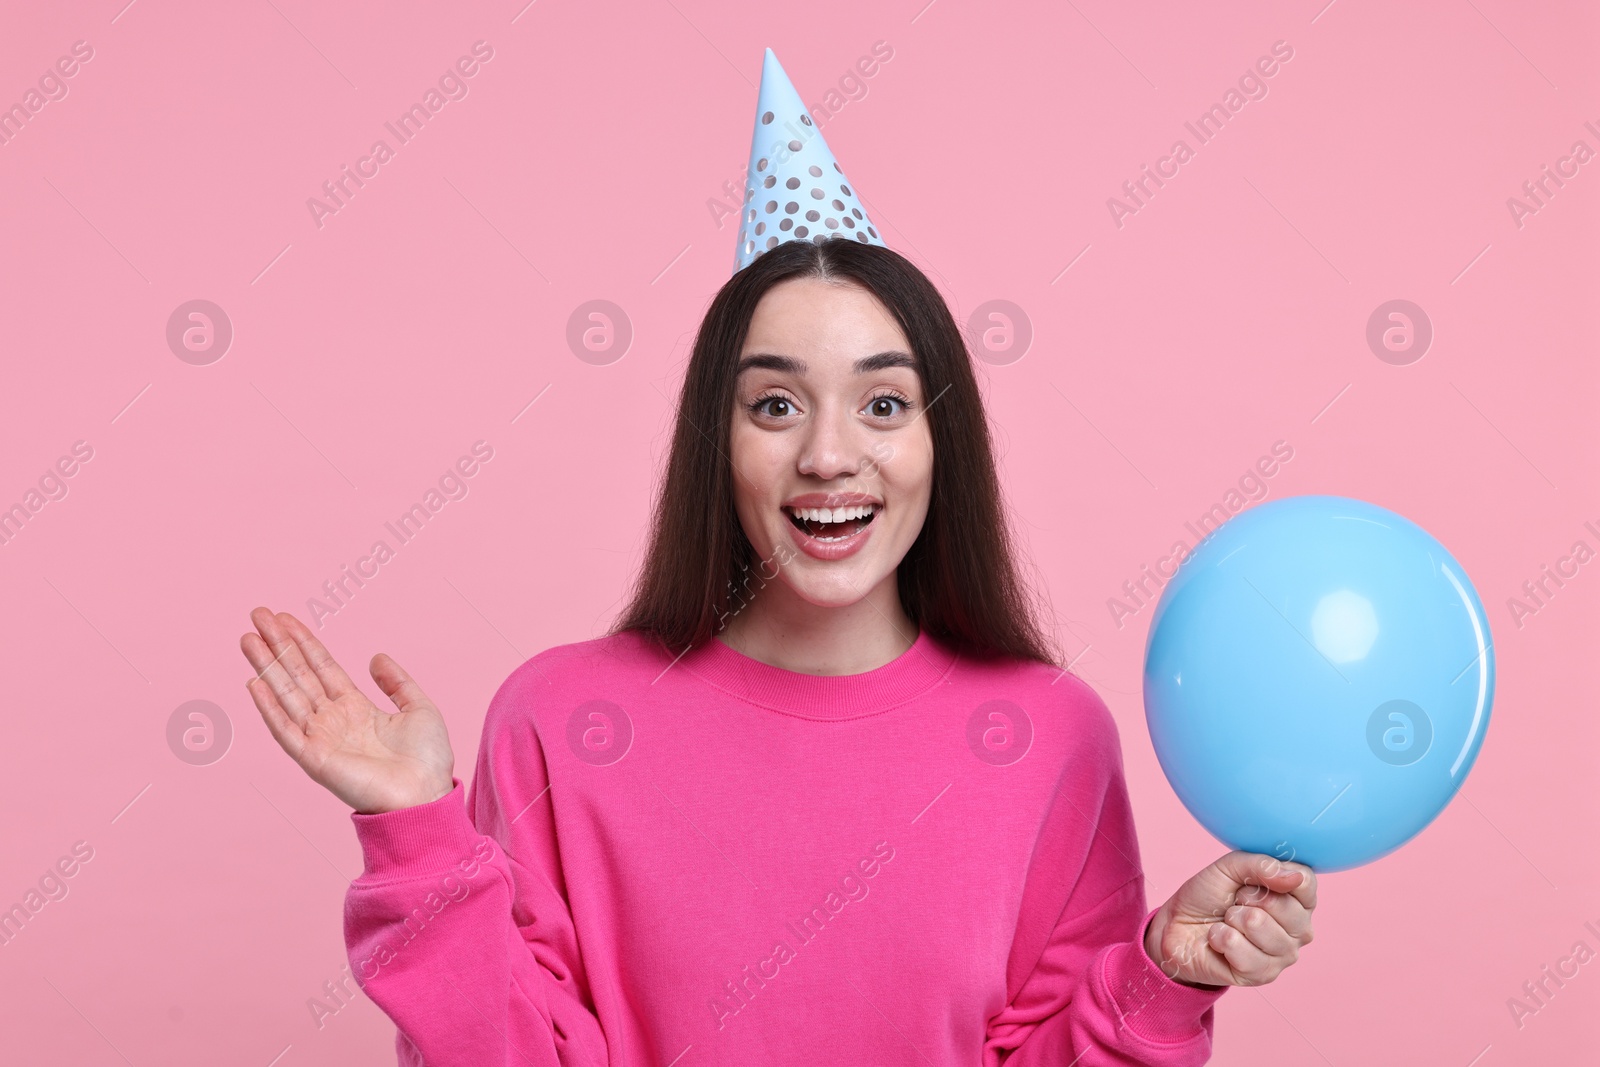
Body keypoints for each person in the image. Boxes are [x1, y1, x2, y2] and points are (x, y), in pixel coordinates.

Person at [239, 51, 1315, 1067]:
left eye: (883, 402)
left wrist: (1163, 976)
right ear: (720, 439)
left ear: (944, 441)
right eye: (775, 403)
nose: (829, 453)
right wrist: (423, 837)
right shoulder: (558, 718)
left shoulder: (1049, 737)